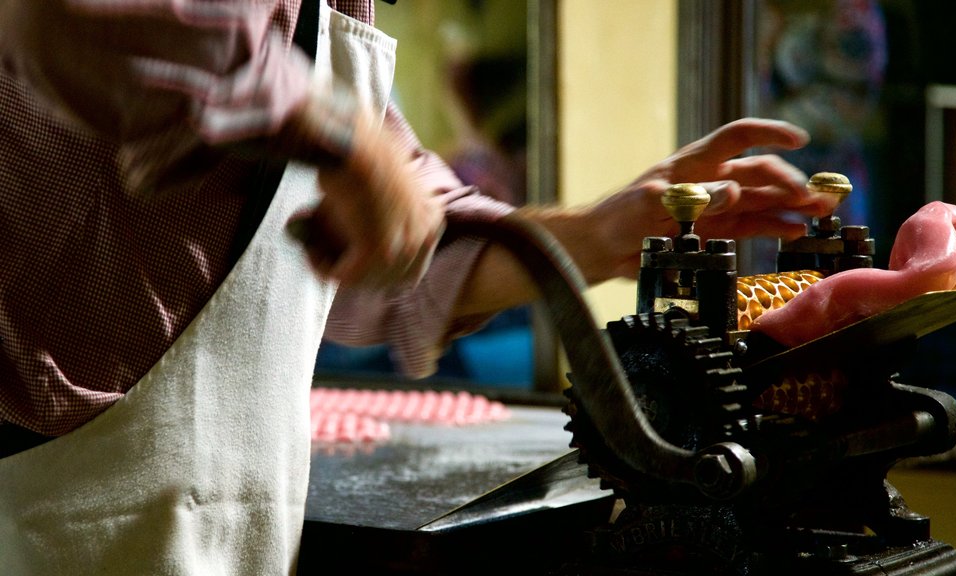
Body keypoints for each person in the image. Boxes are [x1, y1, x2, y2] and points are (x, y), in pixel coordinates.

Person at [0, 1, 836, 574]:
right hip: (49, 508)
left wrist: (598, 237)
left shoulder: (320, 24)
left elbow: (400, 256)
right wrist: (344, 143)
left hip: (212, 524)